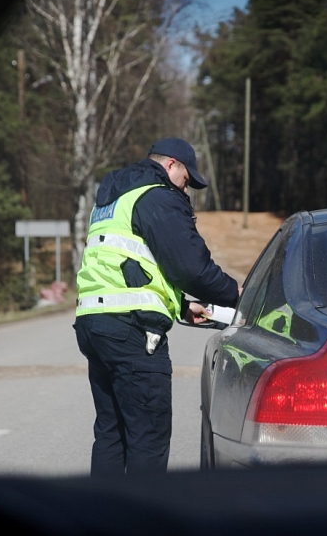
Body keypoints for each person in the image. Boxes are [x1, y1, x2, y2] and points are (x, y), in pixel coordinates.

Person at [73, 137, 240, 476]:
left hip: (95, 325)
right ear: (170, 166)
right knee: (148, 436)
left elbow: (131, 266)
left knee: (112, 434)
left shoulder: (113, 199)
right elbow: (191, 267)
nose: (186, 189)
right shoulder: (157, 196)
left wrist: (180, 305)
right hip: (131, 332)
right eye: (186, 179)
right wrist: (239, 295)